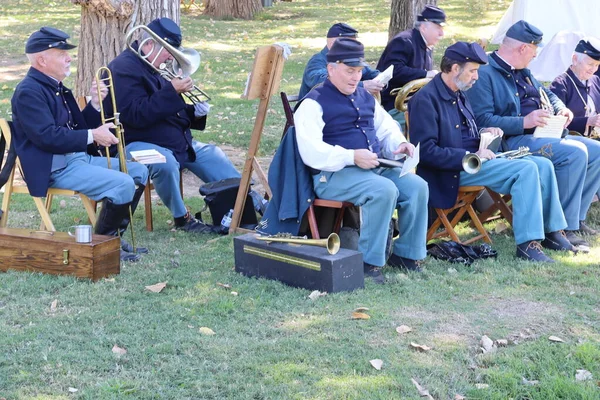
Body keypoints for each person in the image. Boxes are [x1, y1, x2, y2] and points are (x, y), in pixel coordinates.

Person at [409, 42, 574, 262]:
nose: (476, 77)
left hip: (475, 159)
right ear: (455, 68)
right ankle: (528, 244)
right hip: (453, 170)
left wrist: (485, 132)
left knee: (542, 164)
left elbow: (465, 131)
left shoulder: (458, 91)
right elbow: (426, 152)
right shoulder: (425, 99)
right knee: (526, 169)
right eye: (473, 71)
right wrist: (470, 156)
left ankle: (553, 232)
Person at [294, 38, 429, 284]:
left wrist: (398, 145)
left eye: (358, 71)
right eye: (349, 71)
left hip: (372, 169)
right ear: (331, 69)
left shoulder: (365, 97)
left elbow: (386, 128)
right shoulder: (313, 103)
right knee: (383, 190)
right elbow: (311, 152)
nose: (355, 77)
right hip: (333, 175)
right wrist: (351, 156)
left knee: (417, 186)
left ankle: (408, 255)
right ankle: (369, 264)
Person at [11, 27, 149, 262]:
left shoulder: (55, 87)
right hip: (55, 167)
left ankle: (111, 237)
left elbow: (80, 127)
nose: (69, 57)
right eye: (61, 52)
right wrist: (93, 135)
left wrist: (95, 104)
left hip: (76, 159)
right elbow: (47, 137)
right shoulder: (28, 91)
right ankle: (103, 245)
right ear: (42, 59)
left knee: (138, 171)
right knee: (123, 182)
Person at [465, 20, 600, 248]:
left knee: (597, 151)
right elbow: (482, 121)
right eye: (535, 50)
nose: (535, 56)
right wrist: (523, 121)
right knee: (575, 153)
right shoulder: (485, 73)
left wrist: (560, 108)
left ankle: (575, 217)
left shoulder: (522, 70)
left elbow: (545, 92)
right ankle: (560, 228)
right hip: (512, 141)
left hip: (541, 133)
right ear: (523, 48)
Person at [107, 17, 245, 233]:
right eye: (168, 50)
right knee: (164, 162)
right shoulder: (123, 68)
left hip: (171, 139)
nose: (171, 57)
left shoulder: (155, 65)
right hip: (133, 142)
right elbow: (135, 115)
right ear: (150, 44)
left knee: (212, 154)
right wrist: (172, 91)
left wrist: (194, 113)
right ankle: (183, 219)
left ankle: (245, 202)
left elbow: (169, 111)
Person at [376, 5, 446, 119]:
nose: (441, 34)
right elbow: (394, 71)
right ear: (423, 27)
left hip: (415, 104)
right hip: (394, 107)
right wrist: (426, 74)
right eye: (438, 28)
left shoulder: (425, 44)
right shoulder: (404, 41)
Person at [297, 22, 383, 99]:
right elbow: (322, 82)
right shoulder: (317, 61)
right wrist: (362, 85)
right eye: (348, 44)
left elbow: (369, 72)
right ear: (333, 43)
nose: (353, 48)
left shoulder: (351, 60)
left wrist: (381, 79)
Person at [549, 39, 600, 139]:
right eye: (590, 64)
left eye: (597, 65)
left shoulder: (595, 80)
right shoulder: (560, 84)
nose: (593, 69)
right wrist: (588, 121)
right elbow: (555, 123)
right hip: (571, 140)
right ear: (575, 59)